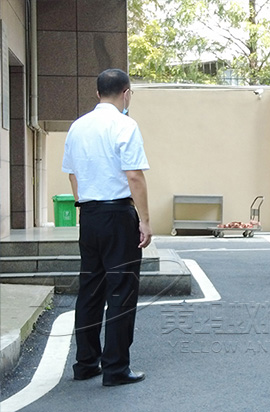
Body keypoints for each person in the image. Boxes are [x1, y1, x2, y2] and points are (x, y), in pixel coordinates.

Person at [62, 69, 152, 386]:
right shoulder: (125, 125)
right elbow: (134, 176)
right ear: (126, 93)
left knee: (90, 289)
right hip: (118, 215)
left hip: (89, 215)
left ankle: (86, 363)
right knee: (121, 290)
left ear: (98, 93)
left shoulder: (77, 127)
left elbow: (72, 174)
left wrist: (85, 206)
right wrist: (144, 220)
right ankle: (115, 368)